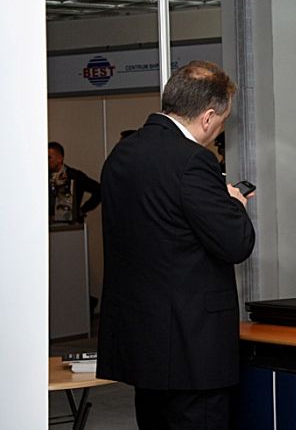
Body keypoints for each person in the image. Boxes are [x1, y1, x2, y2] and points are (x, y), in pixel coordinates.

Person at [97, 60, 256, 430]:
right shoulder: (193, 162)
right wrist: (233, 203)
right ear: (208, 117)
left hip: (143, 342)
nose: (219, 131)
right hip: (191, 347)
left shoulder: (122, 154)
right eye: (222, 122)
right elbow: (236, 243)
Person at [48, 141, 101, 222]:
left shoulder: (75, 176)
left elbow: (99, 190)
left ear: (59, 158)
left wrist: (82, 210)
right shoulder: (41, 177)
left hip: (71, 224)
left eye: (49, 157)